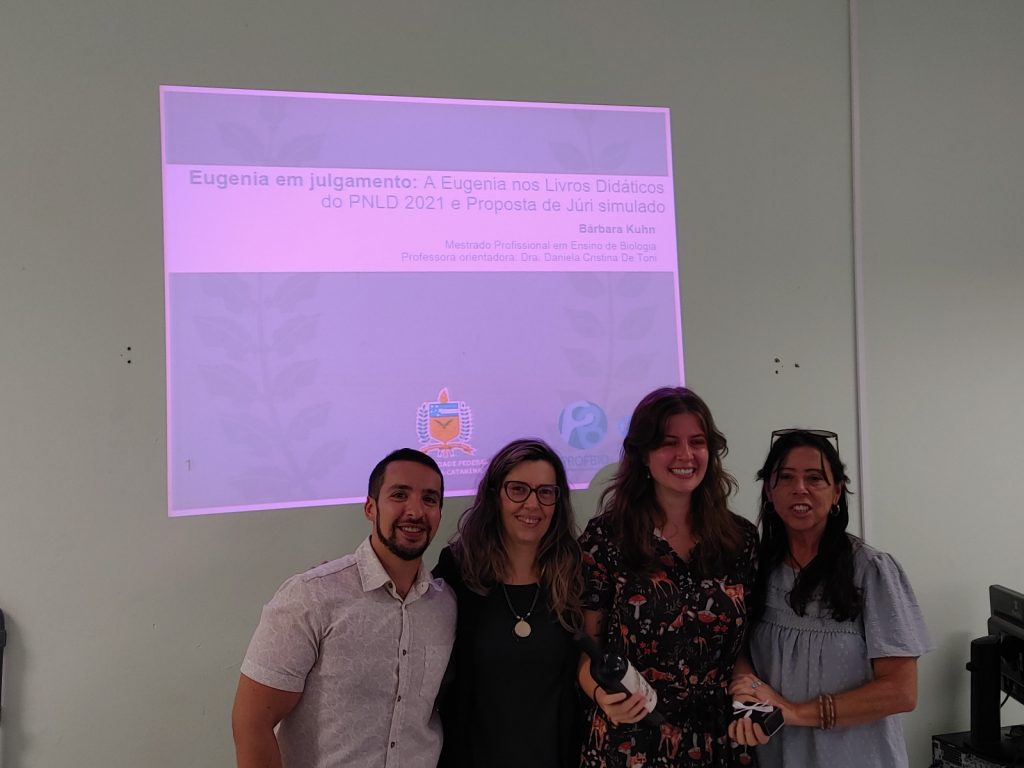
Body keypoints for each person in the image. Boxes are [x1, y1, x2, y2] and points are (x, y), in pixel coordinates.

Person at [231, 448, 456, 768]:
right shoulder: (311, 596)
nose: (416, 511)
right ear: (370, 508)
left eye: (429, 499)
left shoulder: (445, 606)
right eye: (399, 495)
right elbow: (252, 722)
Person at [578, 387, 759, 767]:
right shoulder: (606, 537)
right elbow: (587, 648)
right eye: (668, 442)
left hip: (718, 738)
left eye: (697, 441)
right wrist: (600, 695)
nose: (685, 455)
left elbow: (740, 647)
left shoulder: (739, 539)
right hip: (632, 737)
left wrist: (748, 691)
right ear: (643, 454)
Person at [728, 429, 932, 768]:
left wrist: (795, 712)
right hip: (777, 755)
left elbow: (901, 692)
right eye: (786, 477)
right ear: (769, 491)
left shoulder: (871, 571)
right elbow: (741, 649)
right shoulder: (755, 568)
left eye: (815, 478)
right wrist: (747, 689)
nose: (800, 488)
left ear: (837, 492)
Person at [432, 438, 583, 768]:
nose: (533, 504)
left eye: (545, 492)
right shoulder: (458, 571)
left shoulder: (574, 573)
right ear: (494, 496)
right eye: (518, 490)